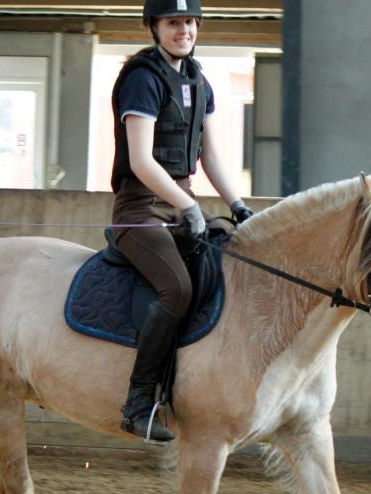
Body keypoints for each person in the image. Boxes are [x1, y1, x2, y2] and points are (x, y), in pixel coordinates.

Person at [110, 0, 255, 441]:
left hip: (181, 205)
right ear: (155, 27)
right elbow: (140, 161)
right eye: (174, 22)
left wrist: (239, 206)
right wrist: (188, 207)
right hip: (140, 209)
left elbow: (208, 156)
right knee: (178, 288)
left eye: (190, 22)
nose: (184, 30)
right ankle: (138, 404)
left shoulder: (199, 80)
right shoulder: (143, 80)